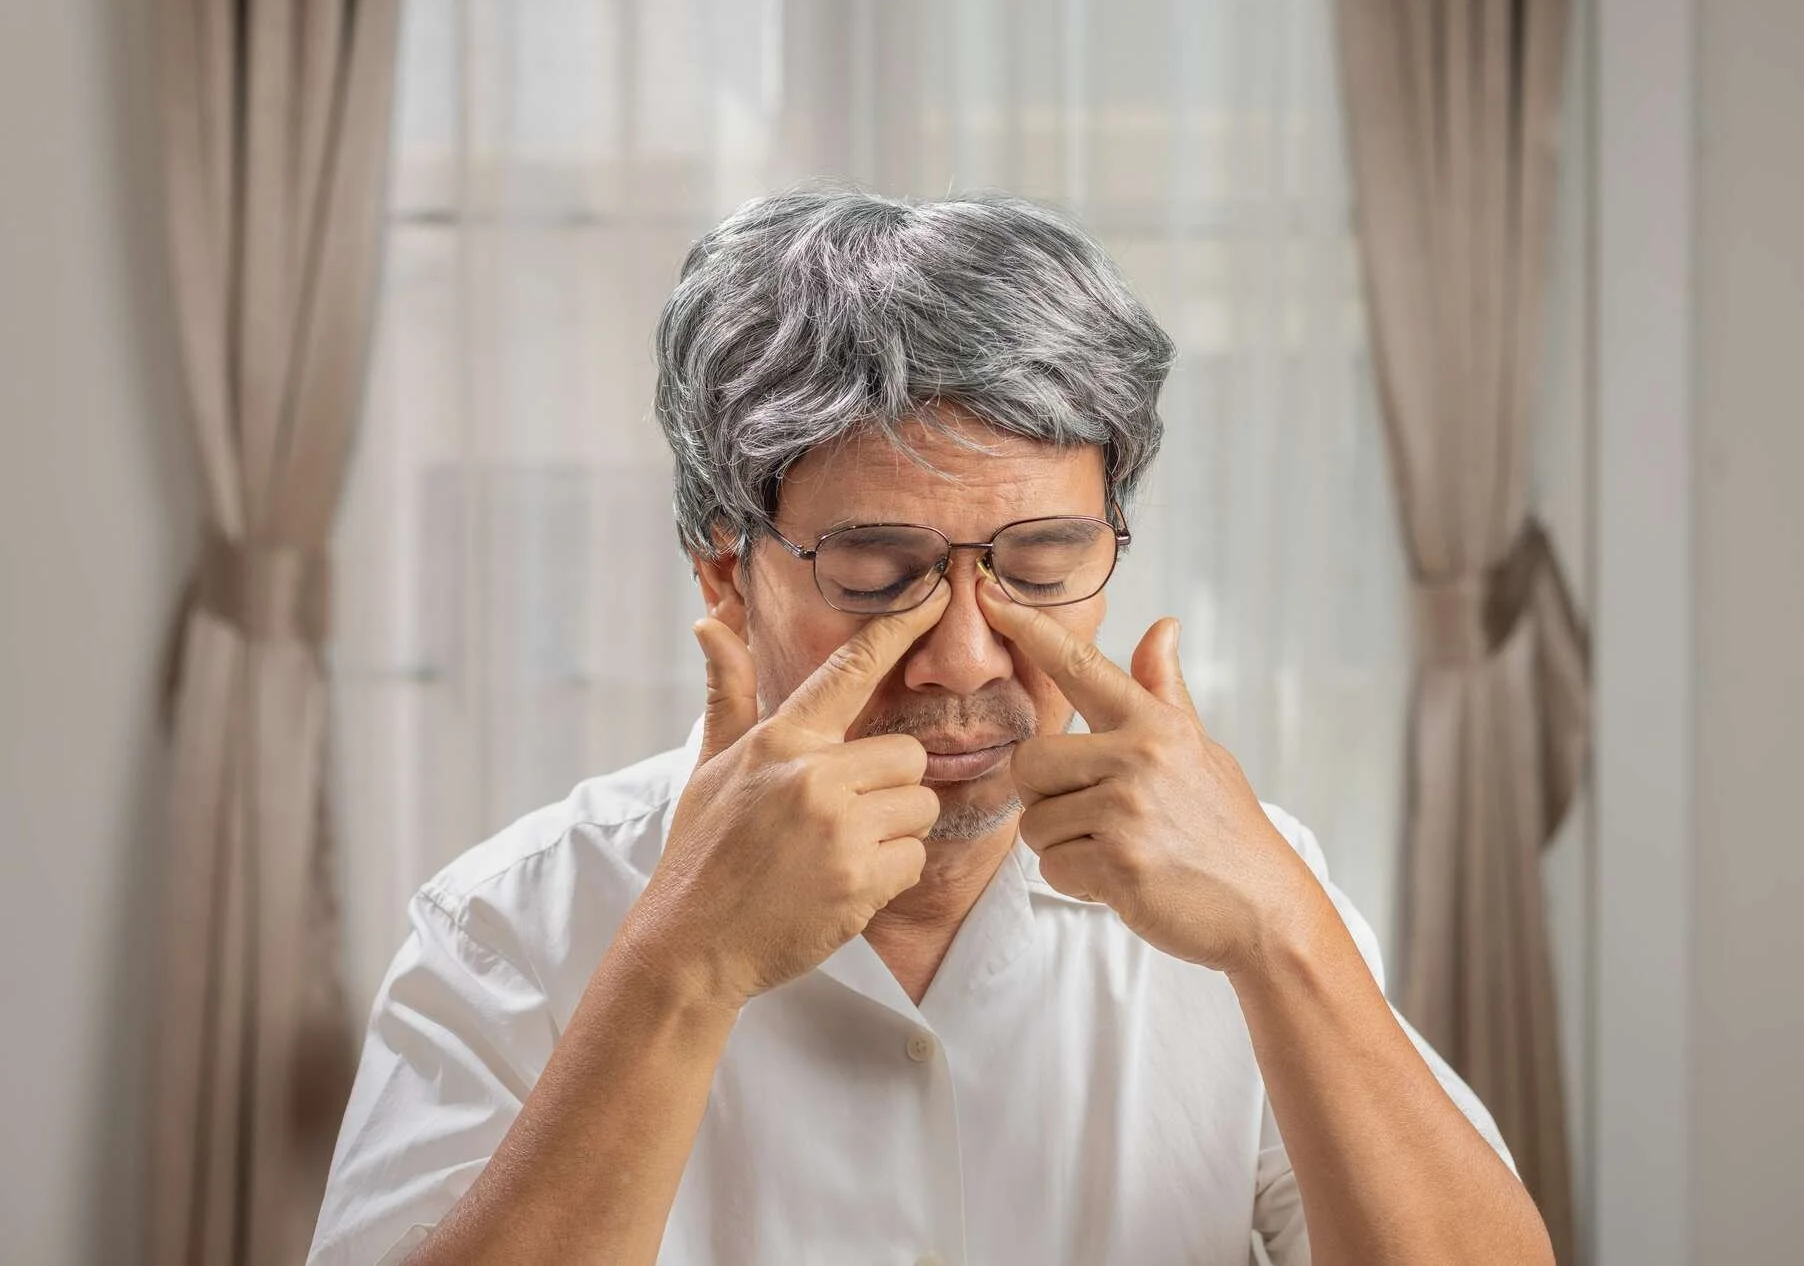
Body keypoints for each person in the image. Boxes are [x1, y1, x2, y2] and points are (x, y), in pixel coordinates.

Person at [308, 188, 1552, 1266]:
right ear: (724, 577)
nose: (964, 652)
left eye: (1042, 560)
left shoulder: (1239, 887)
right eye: (875, 568)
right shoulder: (509, 925)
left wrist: (1286, 937)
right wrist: (681, 965)